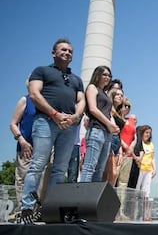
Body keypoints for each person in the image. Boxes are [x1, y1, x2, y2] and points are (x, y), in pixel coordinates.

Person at [20, 38, 85, 223]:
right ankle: (26, 208)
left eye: (70, 51)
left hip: (69, 126)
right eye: (63, 49)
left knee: (60, 169)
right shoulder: (41, 71)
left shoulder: (76, 79)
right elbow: (34, 94)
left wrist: (74, 117)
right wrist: (54, 114)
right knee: (38, 165)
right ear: (53, 52)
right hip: (46, 122)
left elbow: (81, 101)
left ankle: (52, 208)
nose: (67, 53)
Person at [9, 81, 50, 212]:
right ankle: (22, 210)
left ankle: (37, 210)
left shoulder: (47, 103)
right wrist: (21, 141)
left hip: (44, 147)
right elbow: (13, 124)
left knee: (42, 181)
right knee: (23, 178)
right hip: (26, 147)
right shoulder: (25, 101)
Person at [80, 66, 119, 182]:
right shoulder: (92, 88)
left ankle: (93, 198)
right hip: (96, 130)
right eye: (104, 74)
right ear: (97, 75)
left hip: (107, 133)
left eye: (109, 75)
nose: (107, 77)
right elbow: (93, 109)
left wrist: (113, 126)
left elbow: (107, 113)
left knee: (100, 169)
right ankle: (82, 196)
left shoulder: (105, 93)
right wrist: (109, 124)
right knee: (89, 167)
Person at [102, 87, 125, 186]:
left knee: (111, 174)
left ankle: (106, 198)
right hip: (110, 139)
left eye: (121, 95)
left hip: (117, 143)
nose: (120, 97)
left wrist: (120, 149)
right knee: (111, 173)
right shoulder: (108, 109)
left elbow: (119, 133)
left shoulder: (119, 112)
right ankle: (103, 198)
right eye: (117, 94)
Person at [135, 125, 156, 221]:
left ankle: (145, 214)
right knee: (136, 191)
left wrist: (154, 169)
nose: (148, 134)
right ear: (142, 133)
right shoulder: (139, 143)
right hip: (140, 169)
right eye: (146, 132)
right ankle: (134, 213)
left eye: (149, 133)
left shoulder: (151, 144)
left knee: (146, 193)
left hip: (148, 170)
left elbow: (152, 158)